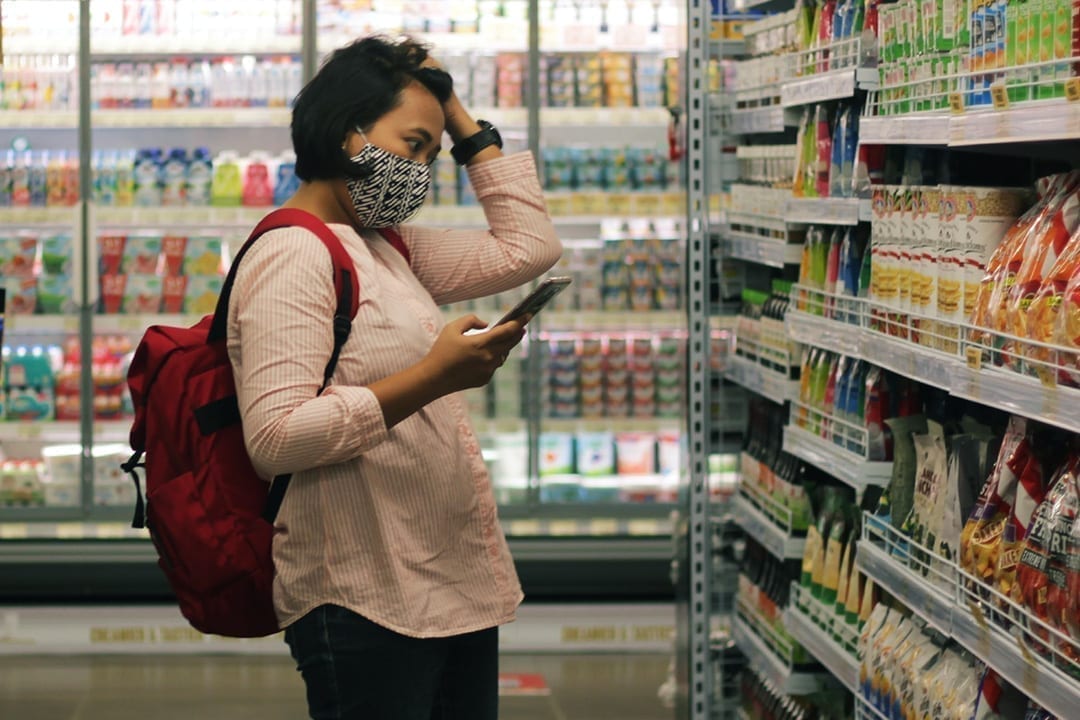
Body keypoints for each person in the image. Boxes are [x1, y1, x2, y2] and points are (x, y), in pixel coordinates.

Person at [225, 36, 562, 720]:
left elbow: (531, 246)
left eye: (433, 156)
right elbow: (276, 439)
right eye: (413, 145)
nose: (421, 170)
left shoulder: (387, 246)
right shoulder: (295, 251)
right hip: (362, 595)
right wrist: (435, 377)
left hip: (443, 581)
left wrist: (456, 113)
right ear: (349, 132)